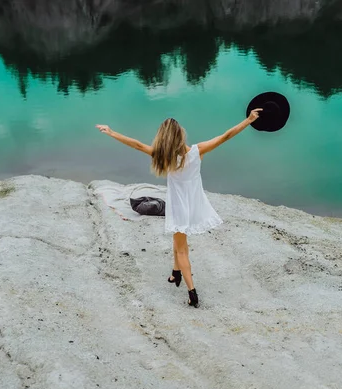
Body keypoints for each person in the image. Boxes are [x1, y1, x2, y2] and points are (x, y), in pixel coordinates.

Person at [95, 108, 262, 307]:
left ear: (163, 139)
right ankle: (175, 273)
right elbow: (225, 136)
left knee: (182, 250)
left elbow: (137, 145)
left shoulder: (163, 157)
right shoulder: (197, 151)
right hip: (194, 206)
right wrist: (249, 120)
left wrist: (112, 132)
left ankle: (192, 292)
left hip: (179, 208)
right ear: (181, 135)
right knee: (178, 240)